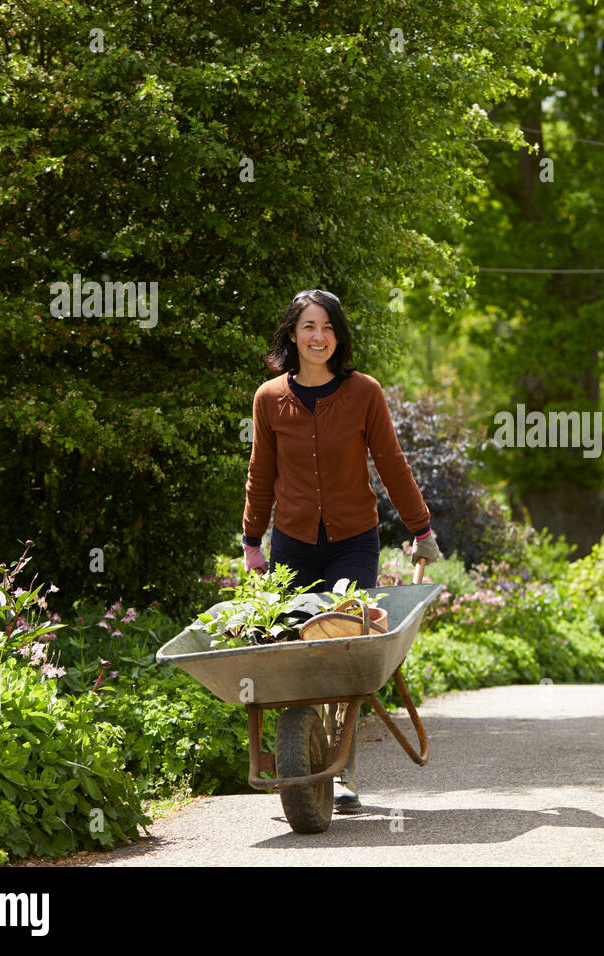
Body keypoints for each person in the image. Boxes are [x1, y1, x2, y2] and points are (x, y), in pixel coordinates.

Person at [242, 288, 441, 811]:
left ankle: (345, 767)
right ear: (292, 334)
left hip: (353, 541)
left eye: (328, 327)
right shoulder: (269, 399)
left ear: (338, 335)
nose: (318, 336)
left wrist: (421, 529)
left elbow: (391, 463)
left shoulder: (363, 393)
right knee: (300, 652)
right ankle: (304, 757)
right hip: (292, 543)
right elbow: (261, 474)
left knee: (342, 642)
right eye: (308, 326)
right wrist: (251, 541)